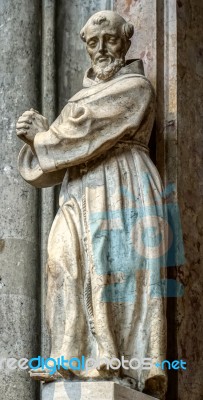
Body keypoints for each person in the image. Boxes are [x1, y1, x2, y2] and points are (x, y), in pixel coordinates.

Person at [16, 11, 167, 399]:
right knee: (59, 259)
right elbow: (64, 150)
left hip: (120, 189)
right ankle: (66, 352)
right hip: (79, 188)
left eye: (110, 40)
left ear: (126, 42)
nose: (101, 49)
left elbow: (88, 130)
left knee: (109, 274)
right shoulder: (79, 99)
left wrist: (46, 136)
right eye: (92, 43)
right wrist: (43, 140)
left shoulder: (136, 88)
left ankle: (108, 360)